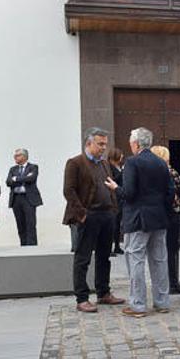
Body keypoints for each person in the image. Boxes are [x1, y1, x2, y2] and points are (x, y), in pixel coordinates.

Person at [105, 128, 174, 318]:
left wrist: (115, 188)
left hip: (137, 219)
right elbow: (170, 191)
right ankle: (162, 302)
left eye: (130, 140)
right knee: (159, 261)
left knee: (135, 261)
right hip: (159, 218)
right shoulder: (161, 162)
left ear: (135, 144)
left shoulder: (132, 162)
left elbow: (129, 193)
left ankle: (138, 304)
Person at [63, 127, 125, 313]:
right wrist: (82, 214)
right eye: (100, 144)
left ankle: (103, 292)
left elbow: (109, 185)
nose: (103, 148)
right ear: (88, 143)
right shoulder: (75, 163)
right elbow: (69, 191)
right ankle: (82, 298)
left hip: (106, 215)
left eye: (105, 144)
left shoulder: (104, 163)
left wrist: (113, 209)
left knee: (104, 256)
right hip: (88, 217)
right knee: (83, 258)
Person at [150, 145, 180, 294]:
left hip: (155, 214)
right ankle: (173, 283)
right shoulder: (169, 171)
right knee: (171, 249)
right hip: (171, 214)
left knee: (157, 250)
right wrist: (177, 199)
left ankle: (161, 283)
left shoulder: (149, 173)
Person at [6, 148, 43, 246]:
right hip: (16, 199)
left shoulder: (33, 167)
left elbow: (31, 178)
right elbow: (8, 182)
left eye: (17, 155)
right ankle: (23, 246)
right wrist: (22, 179)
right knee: (20, 224)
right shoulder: (13, 169)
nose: (15, 157)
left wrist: (16, 179)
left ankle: (32, 246)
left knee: (30, 224)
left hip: (28, 199)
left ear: (24, 156)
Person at [108, 148, 125, 255]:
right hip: (112, 198)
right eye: (120, 155)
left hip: (120, 198)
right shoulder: (109, 167)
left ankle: (117, 246)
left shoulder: (118, 166)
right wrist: (122, 172)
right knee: (112, 224)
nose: (122, 156)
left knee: (117, 224)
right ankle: (109, 248)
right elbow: (112, 180)